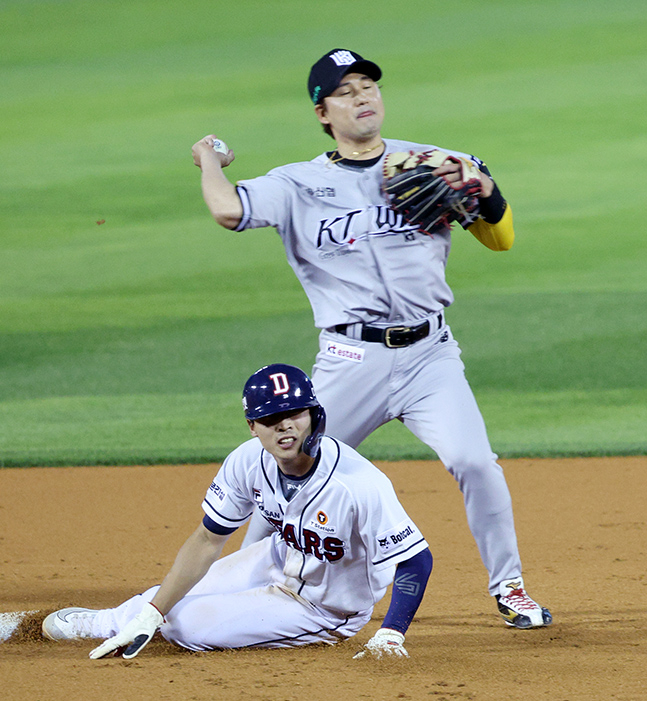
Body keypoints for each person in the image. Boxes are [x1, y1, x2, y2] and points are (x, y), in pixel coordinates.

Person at [190, 49, 551, 629]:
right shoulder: (298, 183)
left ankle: (510, 588)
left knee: (474, 462)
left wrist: (485, 191)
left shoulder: (435, 165)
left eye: (368, 86)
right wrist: (208, 158)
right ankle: (231, 583)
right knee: (287, 466)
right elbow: (229, 211)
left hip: (430, 355)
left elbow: (500, 238)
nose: (362, 96)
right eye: (345, 91)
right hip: (349, 359)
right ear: (322, 112)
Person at [41, 364, 433, 659]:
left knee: (185, 624)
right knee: (160, 602)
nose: (285, 427)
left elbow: (416, 559)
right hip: (276, 560)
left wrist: (391, 632)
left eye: (295, 414)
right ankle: (99, 622)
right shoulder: (248, 461)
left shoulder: (357, 484)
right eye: (270, 419)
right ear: (252, 427)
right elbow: (208, 540)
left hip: (325, 607)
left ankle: (144, 622)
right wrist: (153, 611)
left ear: (314, 415)